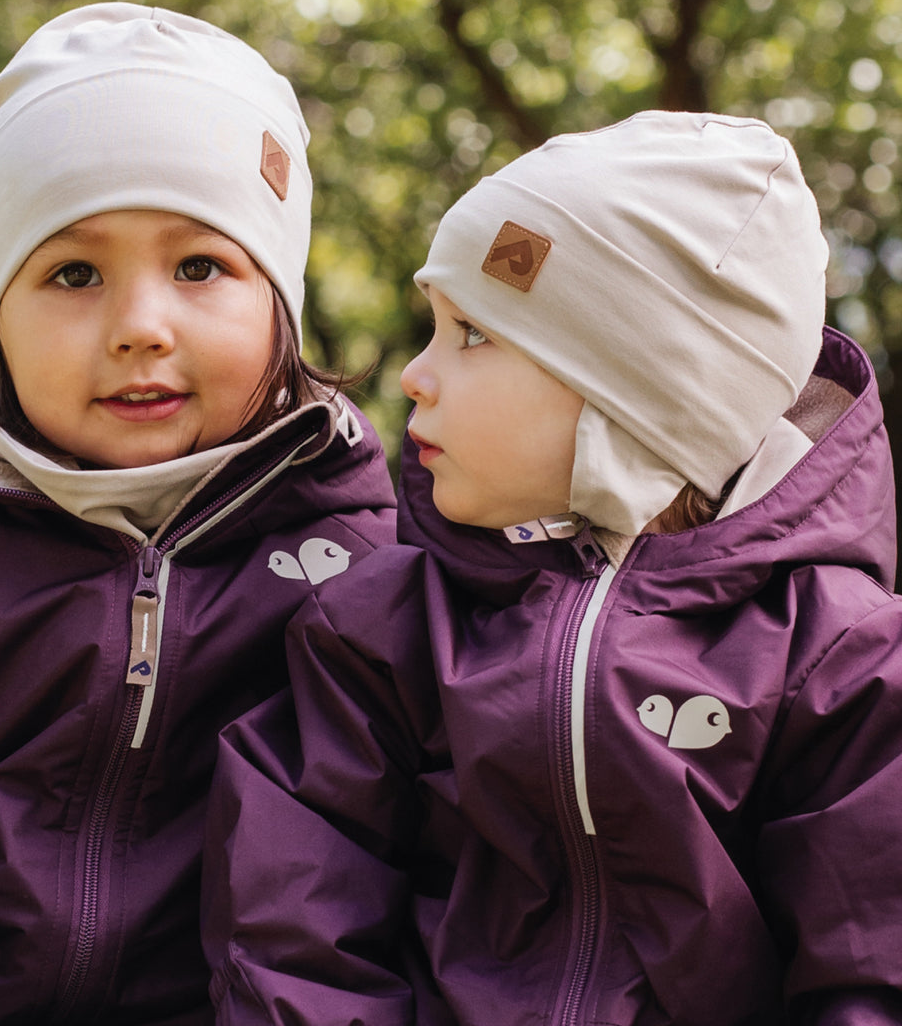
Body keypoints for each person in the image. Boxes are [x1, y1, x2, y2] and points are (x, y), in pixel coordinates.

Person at [201, 111, 902, 1024]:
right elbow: (294, 932)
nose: (415, 374)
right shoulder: (379, 629)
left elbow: (870, 967)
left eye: (473, 334)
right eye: (434, 328)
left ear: (641, 399)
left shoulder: (840, 658)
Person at [0, 3, 395, 1025]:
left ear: (283, 300)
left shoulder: (363, 564)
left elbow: (361, 900)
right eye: (73, 273)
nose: (140, 326)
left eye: (200, 267)